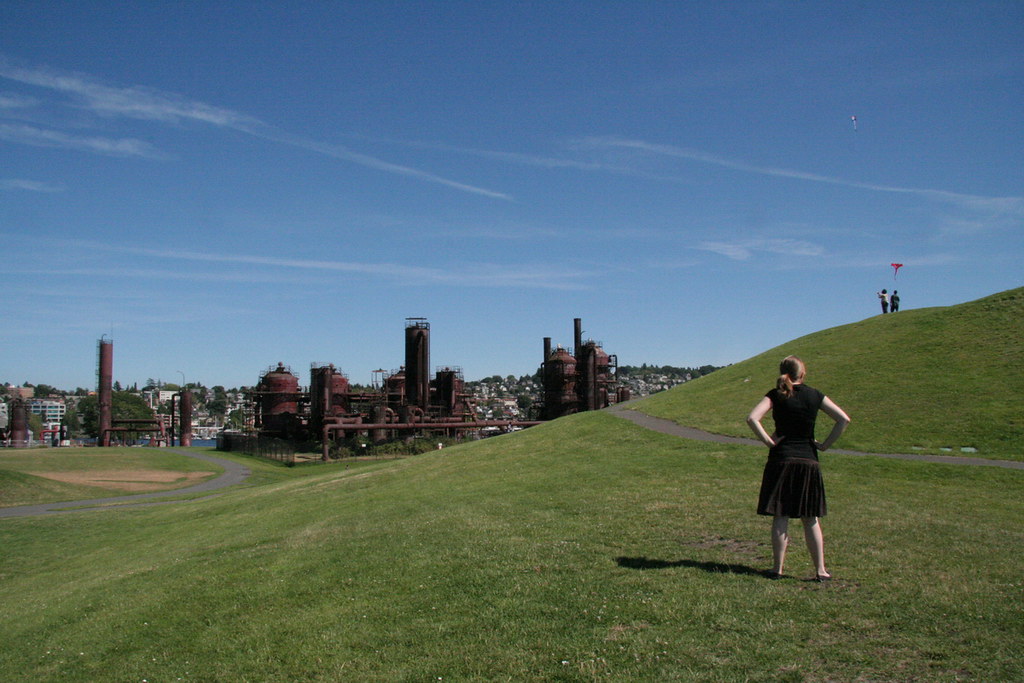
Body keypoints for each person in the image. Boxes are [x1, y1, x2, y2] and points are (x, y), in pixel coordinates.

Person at [746, 356, 851, 581]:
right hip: (808, 460)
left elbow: (753, 418)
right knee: (810, 517)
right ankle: (821, 570)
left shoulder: (776, 394)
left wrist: (769, 442)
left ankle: (777, 569)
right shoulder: (815, 395)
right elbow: (843, 419)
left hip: (781, 459)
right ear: (802, 373)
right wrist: (823, 445)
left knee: (781, 515)